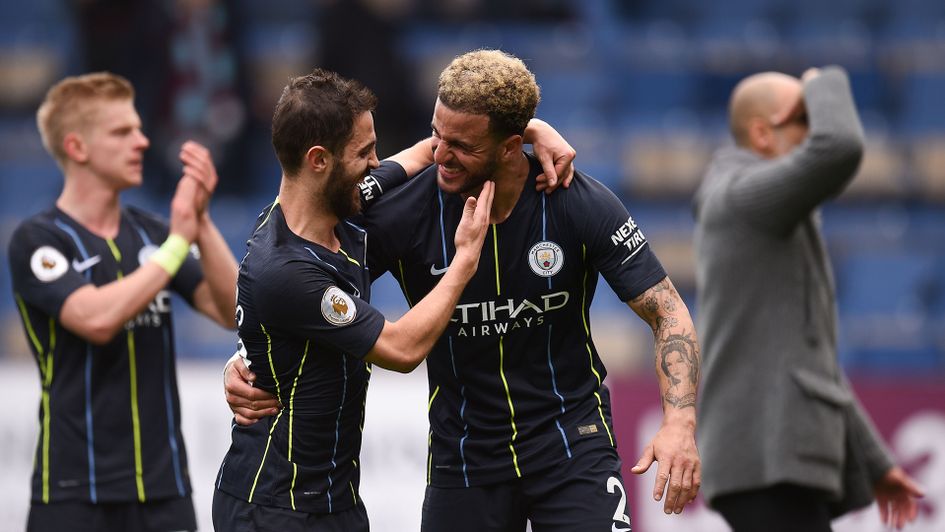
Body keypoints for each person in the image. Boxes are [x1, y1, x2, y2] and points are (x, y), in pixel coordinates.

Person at [227, 49, 702, 531]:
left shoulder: (577, 202)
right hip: (464, 460)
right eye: (437, 134)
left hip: (572, 445)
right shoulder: (399, 213)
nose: (439, 155)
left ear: (510, 145)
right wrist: (250, 358)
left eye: (462, 145)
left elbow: (668, 312)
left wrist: (680, 423)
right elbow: (293, 266)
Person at [210, 68, 497, 531]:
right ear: (319, 160)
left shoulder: (336, 210)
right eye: (364, 152)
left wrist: (533, 132)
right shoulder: (286, 269)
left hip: (333, 501)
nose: (375, 162)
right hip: (274, 508)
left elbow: (430, 151)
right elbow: (402, 349)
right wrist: (464, 260)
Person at [692, 66, 924, 531]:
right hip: (763, 460)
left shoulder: (773, 216)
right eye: (804, 118)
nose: (817, 127)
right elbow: (838, 149)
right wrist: (823, 80)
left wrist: (875, 463)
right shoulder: (742, 197)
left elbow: (808, 358)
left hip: (773, 463)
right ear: (762, 133)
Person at [8, 72, 238, 532]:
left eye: (137, 128)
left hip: (164, 491)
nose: (142, 142)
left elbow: (233, 311)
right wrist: (177, 244)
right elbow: (95, 318)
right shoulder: (39, 240)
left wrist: (201, 221)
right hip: (73, 492)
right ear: (77, 147)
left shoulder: (153, 233)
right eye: (122, 132)